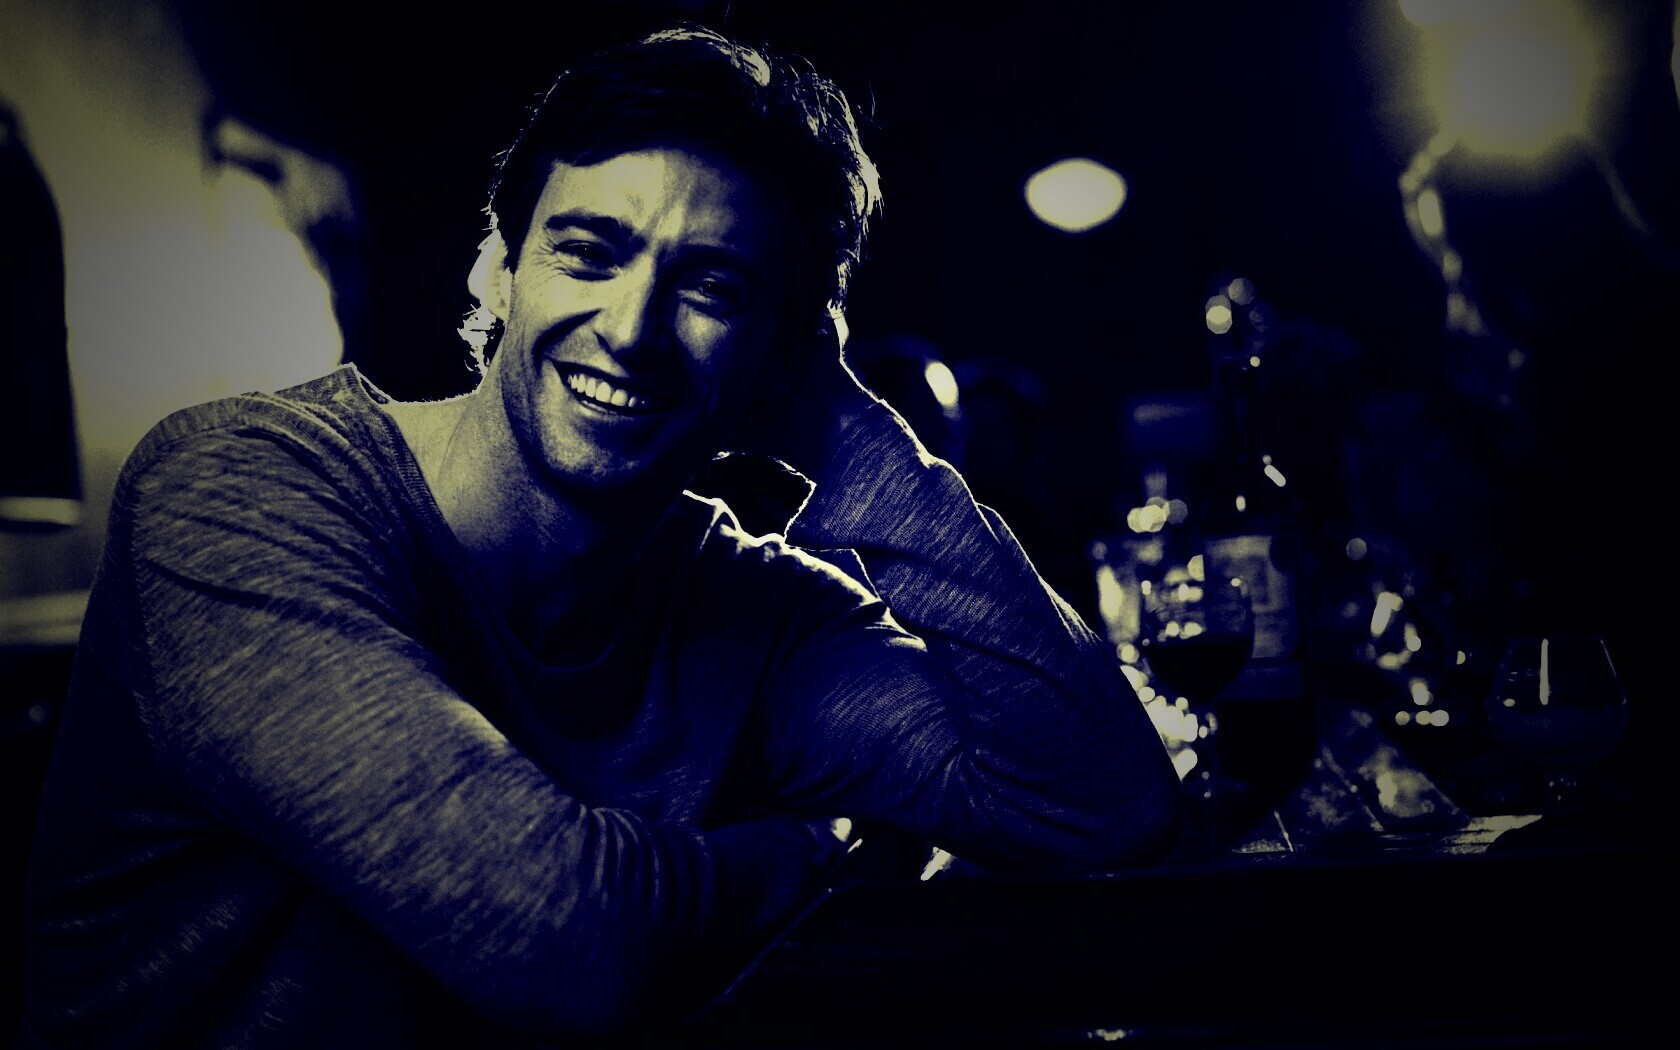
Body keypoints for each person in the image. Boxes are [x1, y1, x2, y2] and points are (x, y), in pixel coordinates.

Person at [17, 23, 1183, 1047]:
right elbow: (561, 941)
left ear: (782, 357)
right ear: (498, 269)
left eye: (712, 288)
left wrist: (847, 435)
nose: (631, 329)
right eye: (589, 251)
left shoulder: (756, 613)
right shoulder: (235, 490)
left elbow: (1099, 806)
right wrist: (810, 849)